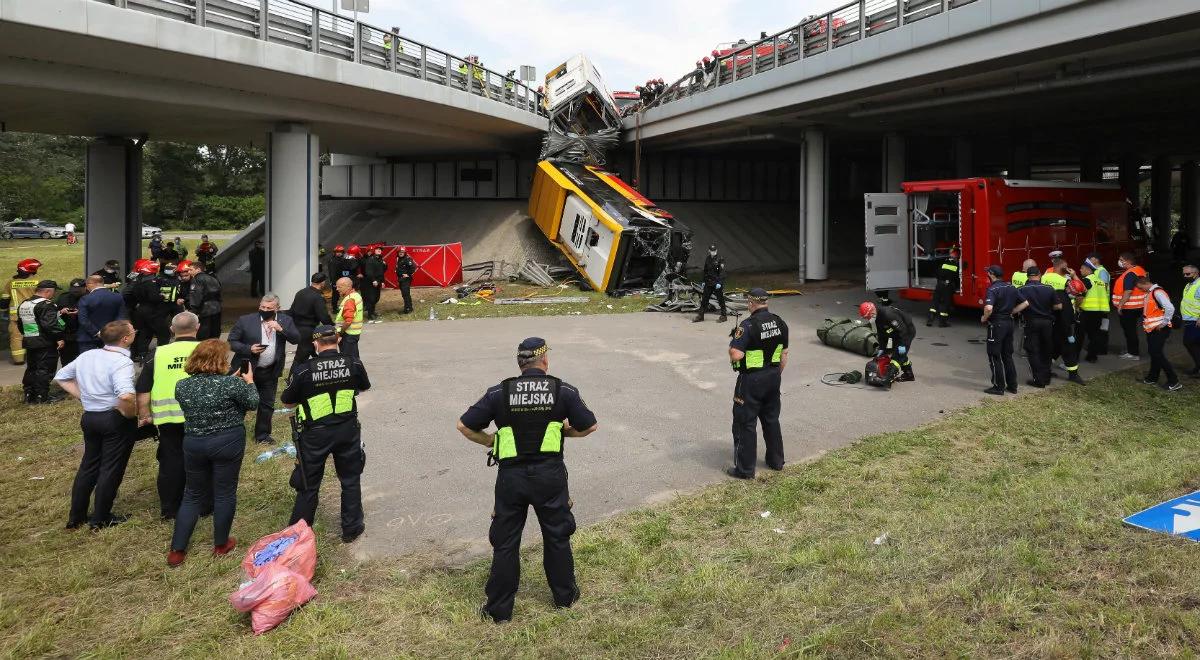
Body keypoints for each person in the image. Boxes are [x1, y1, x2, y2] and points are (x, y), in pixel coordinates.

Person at [457, 337, 598, 623]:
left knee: (506, 542)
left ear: (519, 363)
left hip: (511, 479)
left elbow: (464, 425)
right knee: (556, 536)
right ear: (544, 361)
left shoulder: (500, 392)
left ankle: (498, 611)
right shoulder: (563, 390)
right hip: (550, 477)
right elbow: (589, 425)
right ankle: (565, 598)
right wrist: (563, 432)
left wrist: (490, 441)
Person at [167, 338, 258, 566]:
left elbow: (202, 399)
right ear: (220, 360)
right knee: (225, 492)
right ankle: (221, 544)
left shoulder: (182, 385)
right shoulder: (230, 385)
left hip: (194, 442)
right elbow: (253, 402)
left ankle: (177, 550)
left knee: (192, 494)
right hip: (227, 441)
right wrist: (249, 382)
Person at [281, 325, 372, 543]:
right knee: (350, 479)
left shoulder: (304, 370)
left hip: (315, 434)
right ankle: (352, 528)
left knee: (309, 483)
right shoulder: (353, 363)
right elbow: (364, 386)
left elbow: (288, 401)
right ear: (338, 340)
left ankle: (299, 535)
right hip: (347, 430)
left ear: (315, 344)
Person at [56, 320, 138, 530]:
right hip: (113, 418)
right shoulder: (122, 362)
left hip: (90, 417)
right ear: (125, 339)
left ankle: (77, 516)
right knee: (111, 468)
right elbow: (126, 395)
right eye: (132, 331)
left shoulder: (87, 355)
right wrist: (129, 414)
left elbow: (62, 377)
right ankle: (101, 517)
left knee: (89, 465)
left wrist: (84, 398)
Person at [135, 312, 202, 520]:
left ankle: (170, 509)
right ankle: (203, 504)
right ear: (197, 327)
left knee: (171, 462)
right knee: (202, 461)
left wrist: (144, 415)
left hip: (167, 419)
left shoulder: (158, 353)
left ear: (172, 330)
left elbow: (143, 389)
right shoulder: (206, 350)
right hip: (201, 417)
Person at [727, 288, 788, 478]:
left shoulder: (747, 325)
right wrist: (776, 373)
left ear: (751, 303)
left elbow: (736, 354)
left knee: (746, 423)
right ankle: (776, 462)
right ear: (766, 302)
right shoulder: (780, 322)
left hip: (751, 380)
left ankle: (745, 470)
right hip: (773, 377)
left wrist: (732, 348)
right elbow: (784, 353)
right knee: (771, 420)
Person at [228, 294, 300, 444]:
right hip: (246, 369)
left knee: (267, 404)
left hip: (270, 370)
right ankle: (233, 434)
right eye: (262, 307)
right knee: (239, 403)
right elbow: (232, 342)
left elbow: (296, 338)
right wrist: (249, 348)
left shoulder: (285, 320)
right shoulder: (245, 320)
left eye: (269, 308)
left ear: (277, 309)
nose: (265, 310)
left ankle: (262, 435)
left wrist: (281, 329)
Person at [981, 265, 1028, 395]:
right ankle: (1013, 386)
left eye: (988, 273)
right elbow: (1025, 303)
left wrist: (984, 318)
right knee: (1007, 355)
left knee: (994, 355)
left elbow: (989, 308)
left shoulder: (992, 289)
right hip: (1009, 323)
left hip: (996, 325)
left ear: (991, 274)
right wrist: (1013, 311)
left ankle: (998, 386)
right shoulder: (1010, 287)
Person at [18, 280, 66, 404]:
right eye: (54, 292)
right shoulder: (46, 304)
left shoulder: (25, 303)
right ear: (48, 291)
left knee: (32, 368)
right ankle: (42, 397)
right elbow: (50, 325)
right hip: (45, 343)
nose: (54, 295)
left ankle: (29, 394)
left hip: (29, 341)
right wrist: (59, 338)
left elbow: (20, 325)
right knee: (44, 369)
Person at [1016, 267, 1058, 388]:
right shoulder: (1049, 289)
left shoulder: (1022, 289)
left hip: (1031, 322)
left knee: (1032, 350)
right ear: (1040, 275)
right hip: (1047, 323)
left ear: (1027, 276)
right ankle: (1046, 377)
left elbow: (1017, 305)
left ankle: (1039, 380)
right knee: (1047, 349)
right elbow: (1058, 306)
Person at [1137, 276, 1181, 391]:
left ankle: (1173, 380)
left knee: (1156, 353)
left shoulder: (1157, 292)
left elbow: (1170, 308)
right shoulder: (1151, 292)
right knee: (1154, 353)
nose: (1140, 290)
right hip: (1153, 329)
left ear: (1144, 283)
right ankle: (1152, 377)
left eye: (1140, 287)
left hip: (1160, 329)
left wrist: (1164, 323)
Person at [859, 300, 915, 382]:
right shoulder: (877, 317)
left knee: (898, 354)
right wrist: (881, 350)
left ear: (872, 312)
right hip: (896, 332)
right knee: (898, 353)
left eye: (867, 317)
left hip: (907, 331)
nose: (867, 319)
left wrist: (902, 346)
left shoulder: (887, 314)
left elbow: (903, 331)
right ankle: (909, 375)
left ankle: (889, 377)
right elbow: (882, 335)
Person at [4, 258, 42, 365]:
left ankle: (19, 359)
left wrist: (3, 311)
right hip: (32, 315)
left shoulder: (11, 283)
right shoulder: (37, 282)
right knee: (33, 334)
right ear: (32, 270)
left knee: (16, 337)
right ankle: (35, 357)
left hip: (15, 316)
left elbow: (4, 301)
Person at [77, 274, 127, 353]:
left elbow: (83, 320)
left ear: (90, 284)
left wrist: (97, 332)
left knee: (88, 363)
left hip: (88, 338)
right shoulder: (117, 297)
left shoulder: (85, 299)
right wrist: (112, 331)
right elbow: (121, 317)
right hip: (111, 337)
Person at [1112, 252, 1147, 360]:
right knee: (1131, 330)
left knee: (1129, 331)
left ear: (1127, 261)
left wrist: (1120, 305)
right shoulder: (1139, 270)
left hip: (1129, 308)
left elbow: (1128, 291)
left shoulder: (1130, 274)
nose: (1119, 262)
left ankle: (1133, 353)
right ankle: (1132, 351)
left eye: (1121, 260)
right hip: (1139, 306)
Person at [126, 259, 162, 362]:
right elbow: (127, 292)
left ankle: (138, 353)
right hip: (138, 308)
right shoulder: (137, 278)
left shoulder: (136, 276)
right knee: (142, 331)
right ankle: (136, 354)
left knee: (143, 331)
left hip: (138, 307)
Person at [1076, 259, 1110, 362]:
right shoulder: (1099, 281)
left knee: (1079, 336)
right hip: (1098, 312)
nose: (1080, 270)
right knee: (1094, 335)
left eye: (1082, 268)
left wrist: (1076, 307)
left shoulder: (1087, 280)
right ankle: (1092, 357)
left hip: (1086, 311)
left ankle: (1074, 358)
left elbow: (1080, 297)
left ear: (1087, 269)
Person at [185, 262, 222, 339]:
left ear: (198, 269)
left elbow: (196, 296)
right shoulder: (213, 278)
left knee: (203, 333)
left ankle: (203, 349)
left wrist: (193, 310)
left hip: (204, 310)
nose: (189, 272)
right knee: (215, 333)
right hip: (217, 308)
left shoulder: (197, 279)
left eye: (191, 269)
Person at [693, 244, 728, 323]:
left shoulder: (720, 259)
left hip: (717, 283)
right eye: (712, 250)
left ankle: (724, 315)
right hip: (708, 282)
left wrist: (719, 282)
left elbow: (722, 272)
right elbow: (705, 271)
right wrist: (703, 281)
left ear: (716, 250)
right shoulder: (708, 258)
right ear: (709, 251)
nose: (713, 252)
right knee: (704, 300)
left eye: (714, 250)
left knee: (720, 300)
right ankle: (700, 316)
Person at [55, 278, 86, 366]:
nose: (75, 292)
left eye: (78, 290)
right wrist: (61, 312)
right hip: (67, 334)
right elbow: (54, 314)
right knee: (67, 361)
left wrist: (81, 313)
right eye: (74, 290)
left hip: (83, 335)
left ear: (85, 288)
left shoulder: (89, 297)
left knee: (84, 362)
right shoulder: (63, 297)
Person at [928, 245, 960, 327]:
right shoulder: (956, 266)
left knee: (935, 302)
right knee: (946, 304)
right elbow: (956, 277)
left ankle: (930, 320)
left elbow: (937, 273)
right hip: (947, 286)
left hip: (939, 284)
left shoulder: (943, 263)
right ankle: (942, 323)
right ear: (956, 257)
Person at [334, 277, 364, 358]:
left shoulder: (350, 300)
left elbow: (348, 321)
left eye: (339, 287)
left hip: (348, 335)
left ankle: (357, 371)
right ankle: (357, 370)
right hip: (353, 333)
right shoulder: (356, 295)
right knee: (354, 358)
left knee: (349, 360)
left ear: (348, 286)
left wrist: (339, 332)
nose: (337, 289)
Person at [1182, 264, 1200, 377]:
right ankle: (1198, 368)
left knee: (1189, 342)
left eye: (1187, 274)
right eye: (1184, 273)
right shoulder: (1190, 284)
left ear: (1196, 273)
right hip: (1189, 320)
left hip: (1195, 321)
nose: (1185, 276)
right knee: (1195, 344)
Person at [361, 245, 386, 322]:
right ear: (374, 251)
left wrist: (382, 281)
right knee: (371, 298)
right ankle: (370, 314)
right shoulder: (370, 260)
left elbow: (382, 272)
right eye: (377, 249)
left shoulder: (380, 260)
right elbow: (368, 272)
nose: (379, 250)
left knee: (376, 298)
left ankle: (373, 312)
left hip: (378, 281)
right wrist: (373, 280)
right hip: (371, 282)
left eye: (380, 249)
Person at [394, 246, 416, 314]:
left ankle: (408, 309)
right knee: (404, 294)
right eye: (400, 252)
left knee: (406, 294)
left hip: (405, 279)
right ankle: (408, 307)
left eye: (402, 252)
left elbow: (413, 267)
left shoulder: (407, 259)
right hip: (401, 279)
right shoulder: (399, 259)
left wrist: (408, 274)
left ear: (405, 252)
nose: (401, 253)